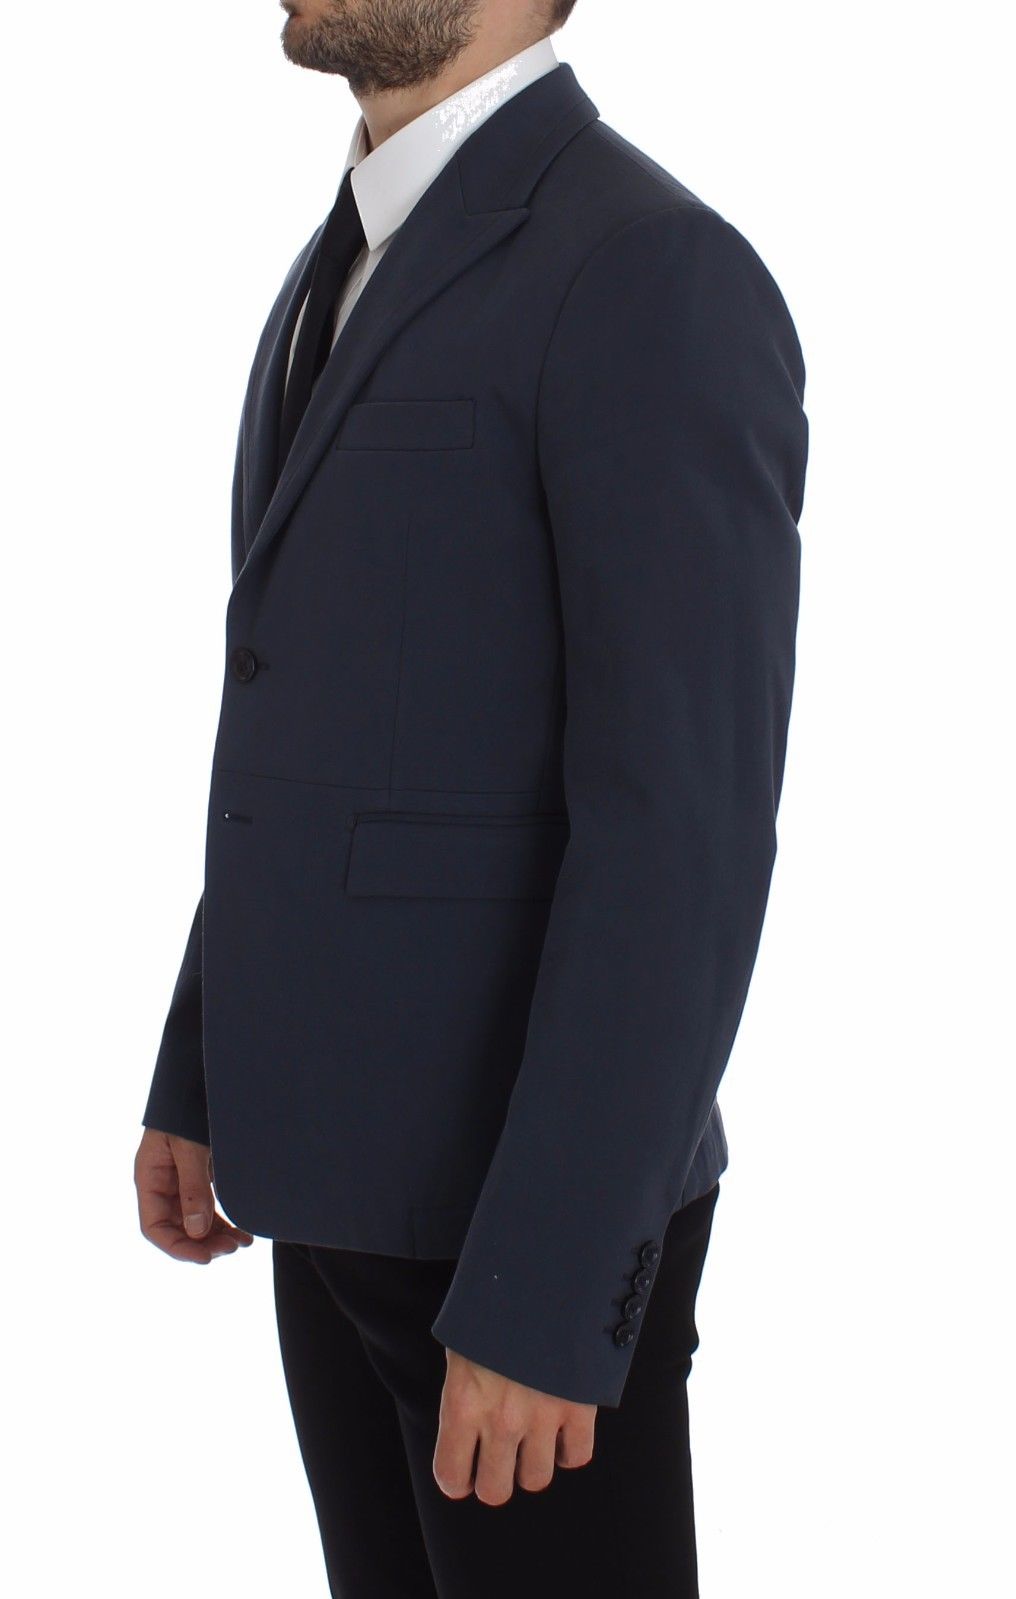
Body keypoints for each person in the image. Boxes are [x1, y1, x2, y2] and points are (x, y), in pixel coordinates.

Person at [134, 2, 809, 1592]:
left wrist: (551, 1290)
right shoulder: (347, 254)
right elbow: (309, 713)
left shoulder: (650, 270)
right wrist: (204, 1063)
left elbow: (683, 835)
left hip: (515, 1229)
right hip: (331, 1194)